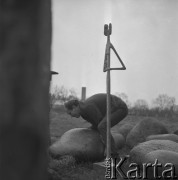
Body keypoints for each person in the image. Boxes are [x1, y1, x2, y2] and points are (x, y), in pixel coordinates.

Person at [64, 93, 128, 158]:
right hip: (111, 110)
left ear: (74, 107)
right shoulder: (83, 112)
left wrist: (106, 146)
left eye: (70, 113)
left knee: (102, 126)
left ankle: (114, 155)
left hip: (119, 108)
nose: (71, 116)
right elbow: (96, 124)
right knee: (97, 127)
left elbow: (101, 124)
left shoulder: (87, 107)